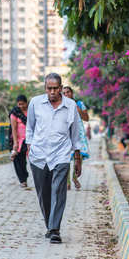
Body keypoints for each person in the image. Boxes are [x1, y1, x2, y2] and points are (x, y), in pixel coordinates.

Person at [25, 73, 82, 244]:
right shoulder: (35, 103)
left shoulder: (70, 106)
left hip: (61, 154)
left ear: (61, 87)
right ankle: (49, 224)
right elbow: (30, 127)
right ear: (45, 88)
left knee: (58, 190)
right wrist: (29, 147)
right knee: (44, 193)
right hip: (39, 155)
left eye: (55, 88)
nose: (52, 92)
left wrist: (77, 158)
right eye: (49, 88)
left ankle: (55, 228)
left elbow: (75, 133)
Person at [62, 86, 89, 190]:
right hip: (66, 132)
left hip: (79, 132)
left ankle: (75, 177)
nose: (66, 95)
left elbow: (86, 118)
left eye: (68, 92)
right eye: (64, 93)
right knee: (67, 156)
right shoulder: (62, 105)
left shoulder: (79, 104)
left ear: (72, 93)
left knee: (79, 155)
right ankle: (67, 181)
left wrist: (77, 109)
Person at [9, 95, 29, 188]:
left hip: (29, 139)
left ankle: (26, 176)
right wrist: (15, 143)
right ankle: (22, 180)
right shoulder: (15, 112)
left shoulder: (31, 111)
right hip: (18, 139)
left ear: (26, 103)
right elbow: (14, 128)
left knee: (27, 160)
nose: (21, 106)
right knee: (19, 161)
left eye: (22, 104)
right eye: (19, 104)